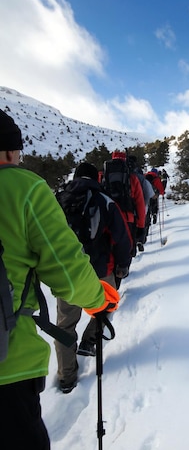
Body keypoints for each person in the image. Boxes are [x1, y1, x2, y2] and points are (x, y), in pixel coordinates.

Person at [0, 110, 119, 450]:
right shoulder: (23, 188)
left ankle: (68, 373)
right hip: (8, 370)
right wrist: (98, 298)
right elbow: (66, 268)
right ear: (11, 150)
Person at [55, 162, 132, 393]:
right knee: (107, 305)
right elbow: (122, 238)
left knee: (65, 325)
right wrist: (122, 265)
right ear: (96, 178)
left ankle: (67, 377)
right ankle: (90, 341)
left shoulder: (57, 200)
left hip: (66, 273)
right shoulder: (104, 200)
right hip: (99, 270)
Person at [102, 151, 146, 257]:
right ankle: (124, 269)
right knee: (127, 248)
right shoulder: (132, 178)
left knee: (111, 248)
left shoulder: (103, 176)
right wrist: (141, 225)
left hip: (109, 217)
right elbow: (140, 203)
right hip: (128, 218)